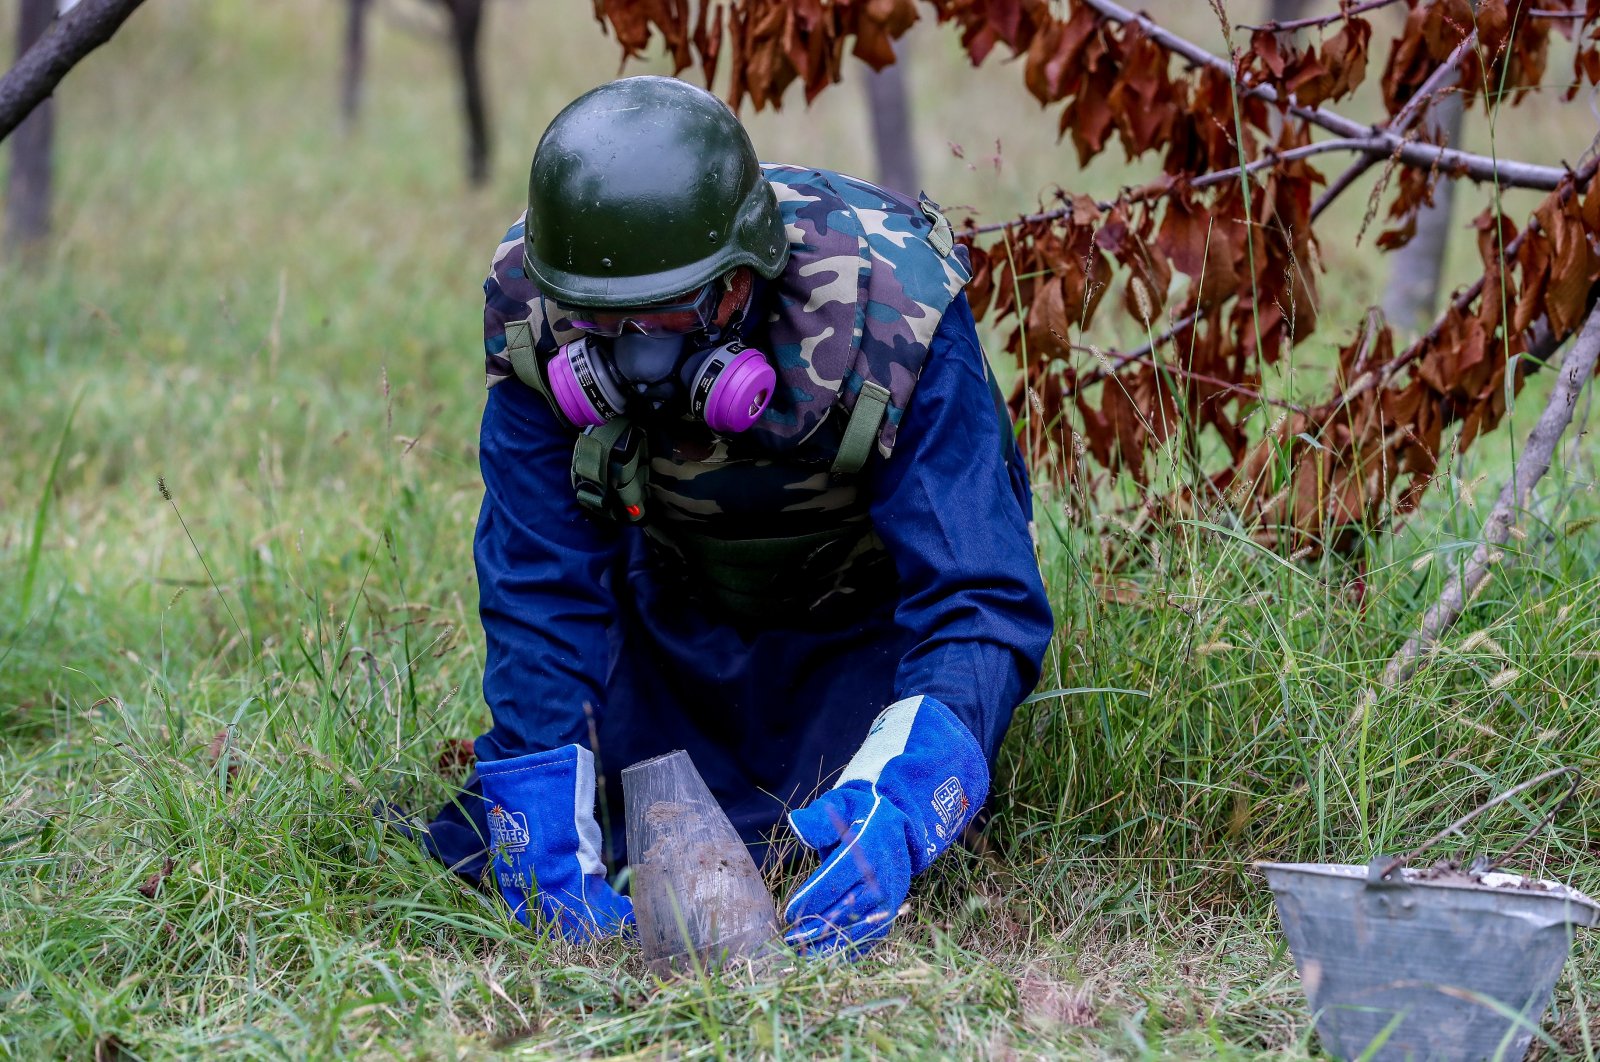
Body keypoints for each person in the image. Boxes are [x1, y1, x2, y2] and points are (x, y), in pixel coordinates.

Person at [422, 75, 1053, 955]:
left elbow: (979, 597)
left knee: (821, 836)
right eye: (608, 323)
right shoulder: (539, 307)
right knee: (500, 837)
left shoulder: (896, 309)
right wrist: (543, 842)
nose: (641, 359)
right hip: (671, 620)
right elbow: (539, 583)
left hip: (861, 638)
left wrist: (905, 807)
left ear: (742, 276)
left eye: (671, 313)